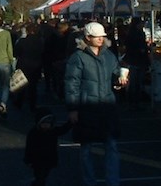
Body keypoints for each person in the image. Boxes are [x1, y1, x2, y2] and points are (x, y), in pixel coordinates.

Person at [65, 22, 128, 186]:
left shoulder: (109, 56)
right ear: (88, 38)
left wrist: (120, 81)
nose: (101, 39)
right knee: (86, 148)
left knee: (111, 146)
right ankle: (89, 181)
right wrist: (73, 108)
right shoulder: (78, 57)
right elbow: (72, 84)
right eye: (97, 36)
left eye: (102, 36)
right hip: (87, 107)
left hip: (107, 107)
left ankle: (113, 181)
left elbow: (115, 74)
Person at [24, 107, 72, 186]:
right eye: (43, 123)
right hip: (37, 160)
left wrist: (70, 123)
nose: (46, 126)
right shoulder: (34, 133)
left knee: (43, 176)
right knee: (40, 177)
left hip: (49, 159)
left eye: (48, 123)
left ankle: (36, 183)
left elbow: (63, 129)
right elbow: (29, 147)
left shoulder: (52, 131)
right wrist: (28, 159)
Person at [13, 22, 44, 111]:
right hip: (36, 66)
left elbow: (16, 53)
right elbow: (43, 53)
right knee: (33, 87)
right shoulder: (40, 42)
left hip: (23, 65)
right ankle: (32, 104)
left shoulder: (22, 41)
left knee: (21, 85)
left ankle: (19, 102)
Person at [124, 18, 150, 110]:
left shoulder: (130, 33)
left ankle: (132, 101)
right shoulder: (139, 34)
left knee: (133, 83)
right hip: (138, 60)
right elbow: (142, 48)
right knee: (137, 82)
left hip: (132, 60)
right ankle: (136, 101)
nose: (143, 25)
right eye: (141, 23)